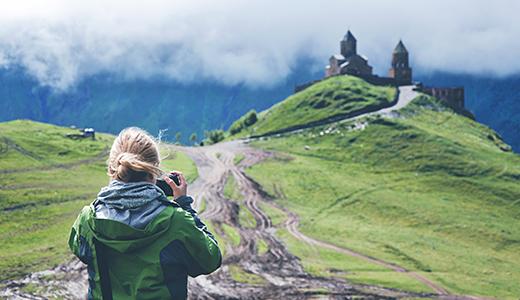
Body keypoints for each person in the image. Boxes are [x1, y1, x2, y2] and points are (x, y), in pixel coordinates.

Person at [68, 127, 221, 300]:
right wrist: (184, 205)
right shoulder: (177, 221)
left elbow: (79, 250)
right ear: (154, 171)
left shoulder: (88, 220)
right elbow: (210, 260)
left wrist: (107, 199)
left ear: (113, 169)